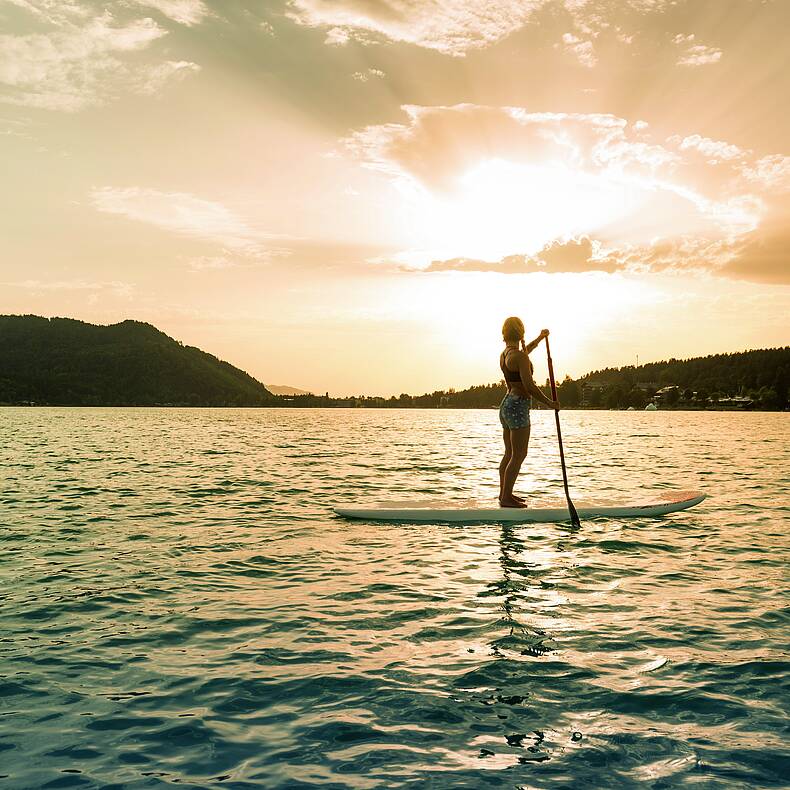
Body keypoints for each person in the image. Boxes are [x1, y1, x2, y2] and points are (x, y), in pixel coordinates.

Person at [499, 317, 560, 508]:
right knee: (519, 454)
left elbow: (527, 350)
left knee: (510, 453)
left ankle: (504, 494)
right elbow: (530, 386)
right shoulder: (519, 356)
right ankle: (506, 497)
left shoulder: (506, 354)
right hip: (518, 407)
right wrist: (550, 403)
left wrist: (541, 338)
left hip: (507, 405)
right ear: (521, 333)